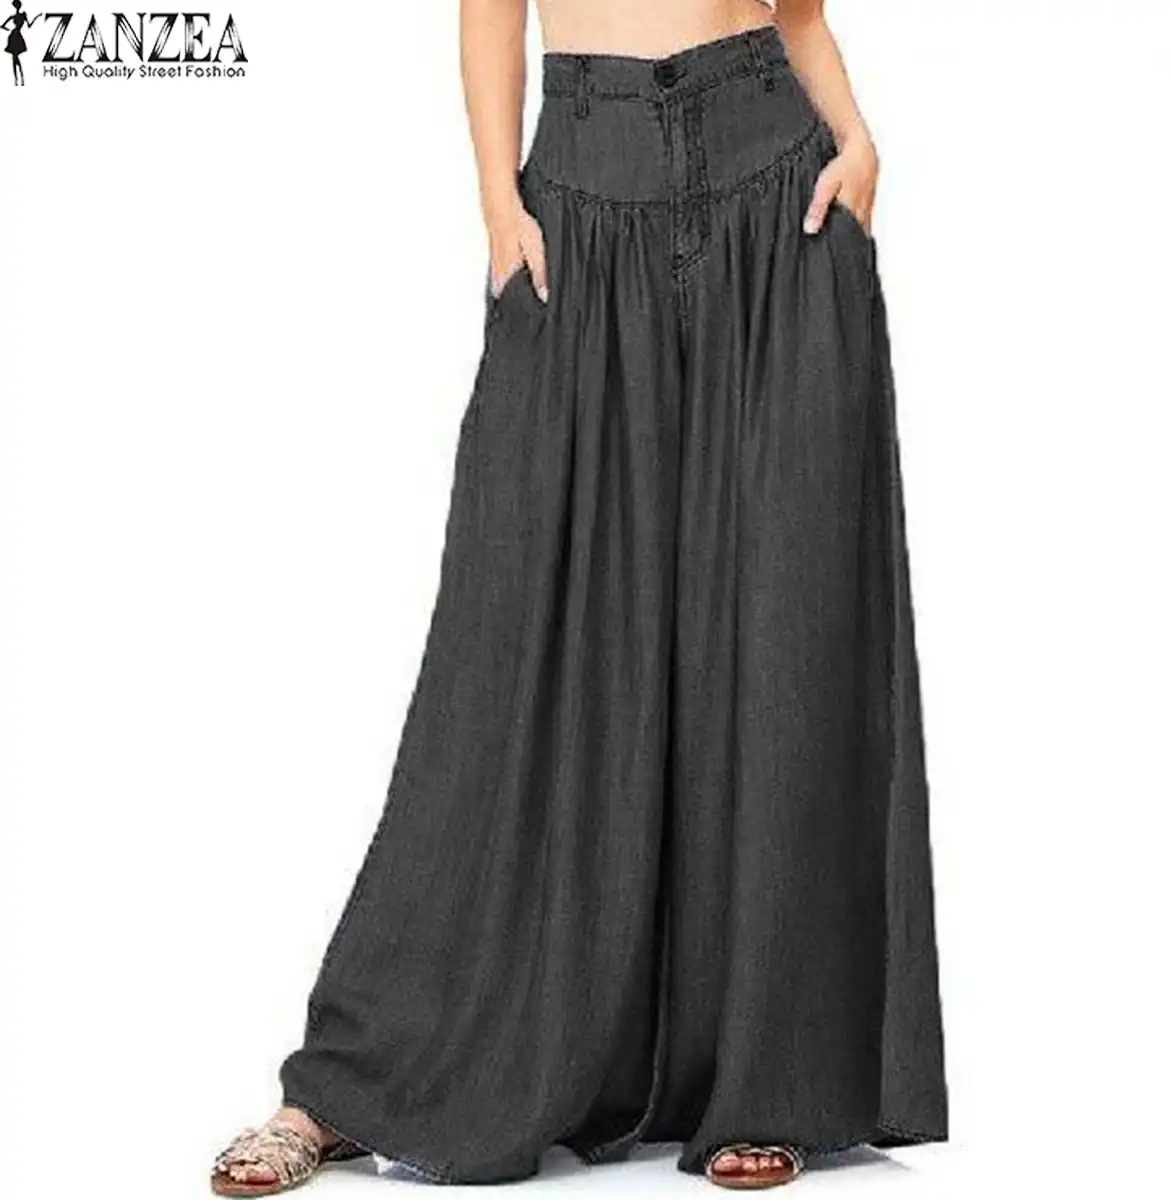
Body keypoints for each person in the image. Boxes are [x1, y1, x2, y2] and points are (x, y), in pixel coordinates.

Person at [211, 1, 948, 1193]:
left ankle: (772, 1083)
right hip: (579, 197)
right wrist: (498, 208)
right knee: (505, 645)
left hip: (778, 188)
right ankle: (351, 1086)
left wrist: (861, 143)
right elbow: (489, 15)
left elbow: (801, 13)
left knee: (784, 633)